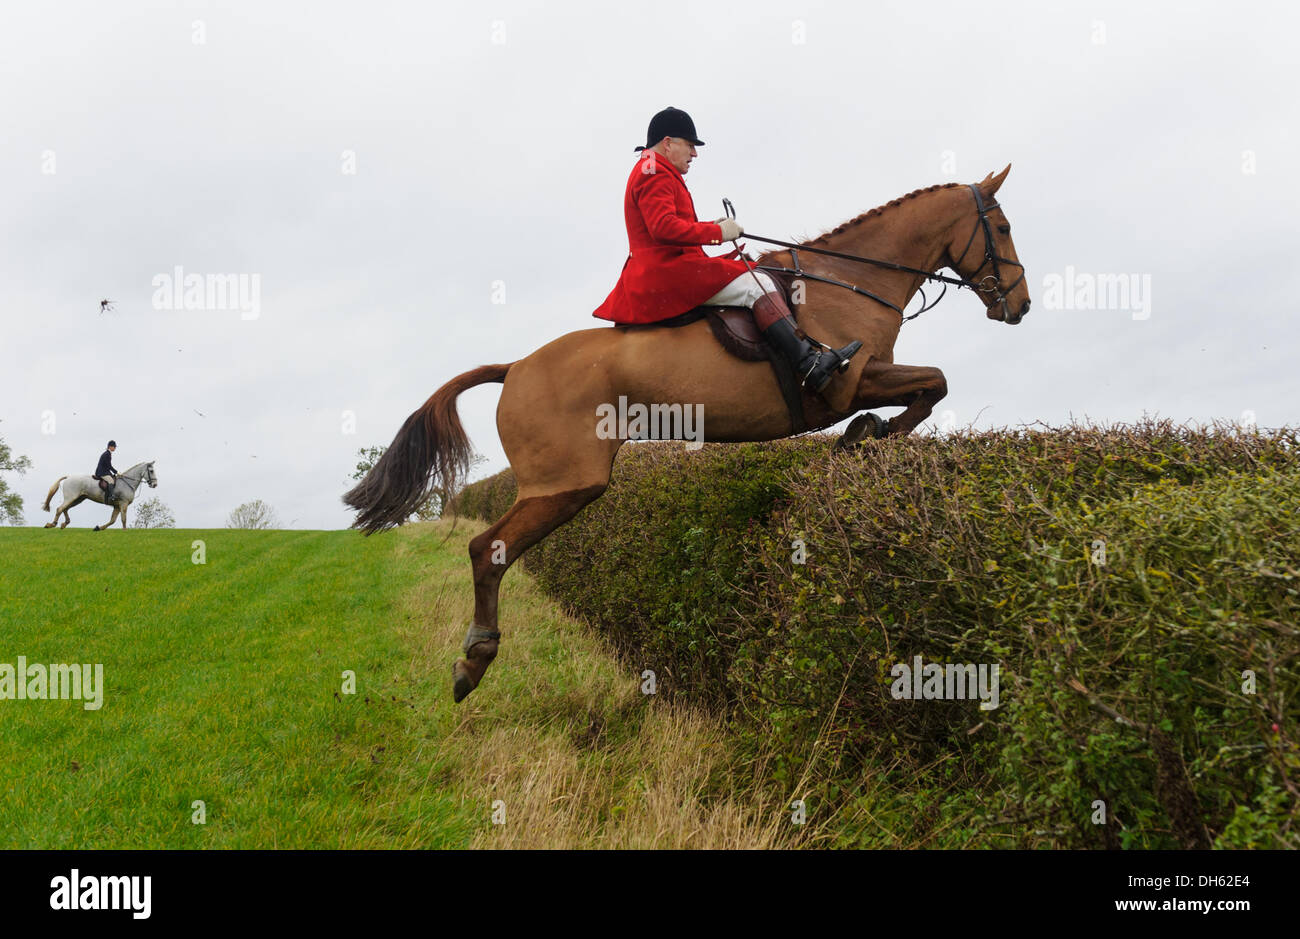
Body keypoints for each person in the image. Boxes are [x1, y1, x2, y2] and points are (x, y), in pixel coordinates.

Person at [592, 106, 861, 394]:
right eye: (690, 145)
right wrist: (717, 233)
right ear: (668, 143)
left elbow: (670, 226)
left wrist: (712, 226)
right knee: (756, 285)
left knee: (749, 271)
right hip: (665, 275)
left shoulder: (653, 168)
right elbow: (663, 228)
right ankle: (808, 363)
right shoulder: (654, 171)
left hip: (667, 268)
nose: (694, 154)